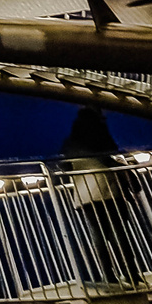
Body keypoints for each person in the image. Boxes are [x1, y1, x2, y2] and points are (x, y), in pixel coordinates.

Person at [60, 107, 143, 288]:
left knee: (98, 235)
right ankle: (131, 274)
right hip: (107, 189)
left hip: (85, 194)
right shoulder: (98, 133)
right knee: (119, 232)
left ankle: (109, 277)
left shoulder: (70, 143)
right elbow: (109, 154)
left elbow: (63, 167)